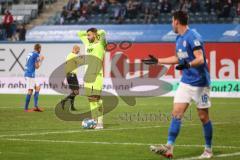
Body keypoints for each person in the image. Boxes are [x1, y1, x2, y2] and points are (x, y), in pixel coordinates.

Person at [142, 11, 212, 159]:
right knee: (176, 114)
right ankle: (169, 148)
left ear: (176, 22)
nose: (171, 23)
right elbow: (177, 58)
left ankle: (208, 150)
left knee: (203, 117)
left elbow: (201, 59)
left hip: (200, 83)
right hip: (186, 82)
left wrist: (188, 65)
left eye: (171, 21)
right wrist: (158, 61)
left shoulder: (193, 36)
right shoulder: (179, 38)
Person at [77, 28, 107, 129]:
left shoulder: (101, 44)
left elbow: (103, 32)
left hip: (96, 75)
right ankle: (94, 121)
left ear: (94, 35)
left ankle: (100, 122)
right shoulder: (87, 43)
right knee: (91, 100)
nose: (87, 37)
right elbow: (79, 33)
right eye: (87, 35)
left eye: (89, 35)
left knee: (97, 99)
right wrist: (88, 33)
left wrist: (96, 33)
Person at [24, 44, 44, 112]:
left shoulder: (30, 53)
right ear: (38, 49)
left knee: (37, 87)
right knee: (30, 90)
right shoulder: (36, 54)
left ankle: (35, 106)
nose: (40, 51)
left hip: (29, 73)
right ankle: (26, 109)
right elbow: (37, 66)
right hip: (30, 74)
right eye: (40, 49)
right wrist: (41, 60)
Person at [62, 45, 83, 111]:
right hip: (72, 75)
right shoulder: (73, 55)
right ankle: (64, 101)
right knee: (76, 92)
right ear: (74, 49)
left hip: (69, 75)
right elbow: (81, 62)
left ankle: (72, 107)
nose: (78, 51)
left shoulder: (69, 55)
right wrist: (80, 55)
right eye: (78, 50)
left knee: (74, 91)